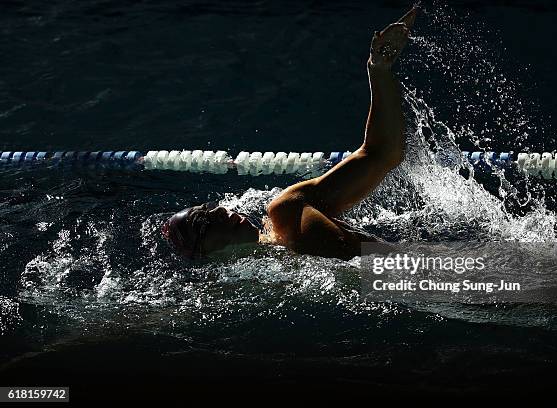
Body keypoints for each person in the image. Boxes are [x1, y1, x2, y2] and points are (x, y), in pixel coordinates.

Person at [162, 5, 419, 261]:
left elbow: (380, 154)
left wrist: (378, 70)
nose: (218, 210)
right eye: (202, 222)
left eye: (207, 208)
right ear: (203, 253)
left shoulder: (289, 211)